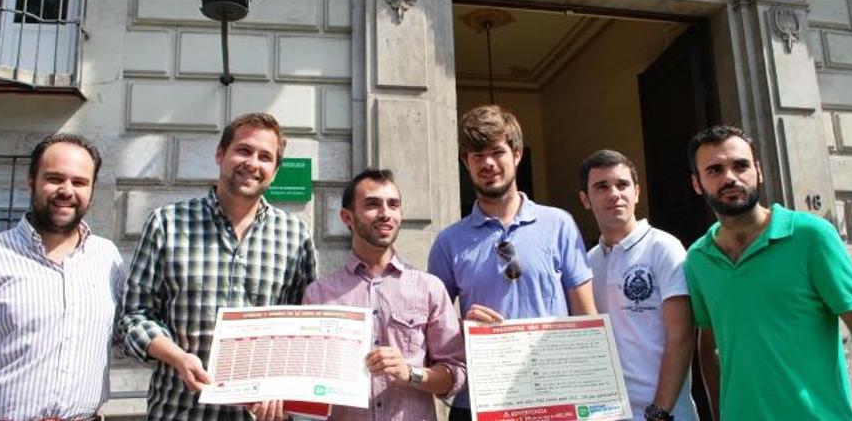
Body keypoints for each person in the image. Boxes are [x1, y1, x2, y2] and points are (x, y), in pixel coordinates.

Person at [118, 112, 318, 421]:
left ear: (275, 171)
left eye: (265, 157)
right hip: (180, 411)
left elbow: (304, 329)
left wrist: (284, 388)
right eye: (244, 150)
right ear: (220, 154)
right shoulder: (167, 223)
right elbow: (133, 317)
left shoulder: (296, 235)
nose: (252, 162)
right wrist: (178, 357)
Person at [428, 104, 596, 420]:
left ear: (517, 154)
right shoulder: (448, 242)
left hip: (553, 397)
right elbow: (434, 333)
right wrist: (464, 330)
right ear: (466, 162)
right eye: (477, 155)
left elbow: (586, 319)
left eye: (497, 152)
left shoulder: (559, 225)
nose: (488, 163)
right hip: (479, 402)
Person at [685, 124, 852, 420]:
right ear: (697, 183)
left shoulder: (811, 236)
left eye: (740, 165)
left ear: (759, 171)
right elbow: (708, 346)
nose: (730, 178)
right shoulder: (697, 259)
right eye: (714, 170)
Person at [0, 134, 124, 421]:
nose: (67, 190)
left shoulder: (108, 258)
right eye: (55, 178)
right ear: (31, 180)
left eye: (79, 182)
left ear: (92, 190)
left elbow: (122, 336)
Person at [303, 168, 465, 420]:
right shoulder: (319, 295)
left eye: (393, 204)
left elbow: (455, 375)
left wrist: (410, 372)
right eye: (372, 205)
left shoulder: (429, 288)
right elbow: (306, 378)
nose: (385, 213)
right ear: (347, 217)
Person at [578, 149, 698, 421]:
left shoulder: (664, 247)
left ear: (637, 192)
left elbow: (680, 336)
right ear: (585, 199)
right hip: (607, 414)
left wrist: (660, 411)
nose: (614, 193)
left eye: (622, 184)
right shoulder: (586, 264)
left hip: (665, 414)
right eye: (601, 186)